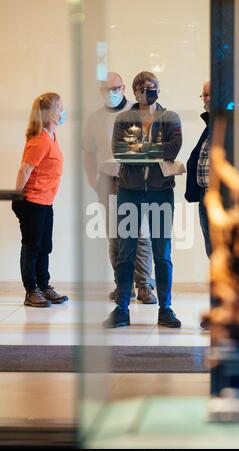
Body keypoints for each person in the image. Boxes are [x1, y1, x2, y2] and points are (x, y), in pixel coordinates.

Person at [103, 71, 182, 328]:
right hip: (129, 191)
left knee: (162, 253)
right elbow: (120, 153)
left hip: (161, 192)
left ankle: (166, 309)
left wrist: (139, 150)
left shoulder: (170, 117)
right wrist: (151, 152)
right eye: (145, 88)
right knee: (126, 252)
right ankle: (122, 308)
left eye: (154, 87)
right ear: (136, 92)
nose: (150, 91)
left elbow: (173, 148)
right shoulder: (124, 118)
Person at [84, 72, 157, 304]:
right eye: (106, 90)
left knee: (140, 234)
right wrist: (93, 181)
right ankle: (123, 286)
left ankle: (144, 284)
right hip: (108, 180)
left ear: (124, 87)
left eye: (115, 88)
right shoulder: (95, 119)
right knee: (115, 237)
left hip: (135, 180)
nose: (111, 93)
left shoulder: (136, 113)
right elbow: (88, 152)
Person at [12, 92, 68, 307]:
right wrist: (17, 198)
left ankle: (44, 286)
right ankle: (31, 290)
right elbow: (24, 170)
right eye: (60, 108)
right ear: (51, 113)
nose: (63, 112)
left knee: (45, 246)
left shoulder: (52, 137)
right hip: (32, 202)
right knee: (31, 246)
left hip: (46, 202)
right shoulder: (41, 140)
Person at [185, 81, 211, 257]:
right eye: (204, 94)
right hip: (205, 194)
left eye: (210, 94)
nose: (206, 99)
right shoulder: (211, 125)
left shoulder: (235, 122)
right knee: (211, 247)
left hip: (222, 196)